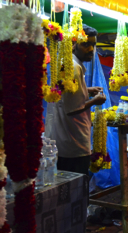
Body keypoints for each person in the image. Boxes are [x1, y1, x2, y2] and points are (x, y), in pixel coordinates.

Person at [47, 24, 107, 175]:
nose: (91, 50)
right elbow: (73, 108)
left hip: (65, 143)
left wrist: (86, 91)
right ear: (73, 45)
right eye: (86, 44)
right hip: (74, 145)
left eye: (93, 45)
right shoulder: (74, 68)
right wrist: (95, 101)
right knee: (76, 192)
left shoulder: (69, 63)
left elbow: (68, 95)